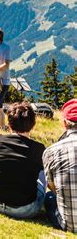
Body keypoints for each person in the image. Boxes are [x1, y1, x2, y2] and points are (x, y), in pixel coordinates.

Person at [0, 102, 46, 219]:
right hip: (24, 209)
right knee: (43, 175)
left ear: (9, 124)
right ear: (33, 125)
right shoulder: (38, 148)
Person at [43, 99, 77, 233]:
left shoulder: (51, 151)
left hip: (69, 224)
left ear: (65, 124)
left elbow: (52, 187)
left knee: (49, 197)